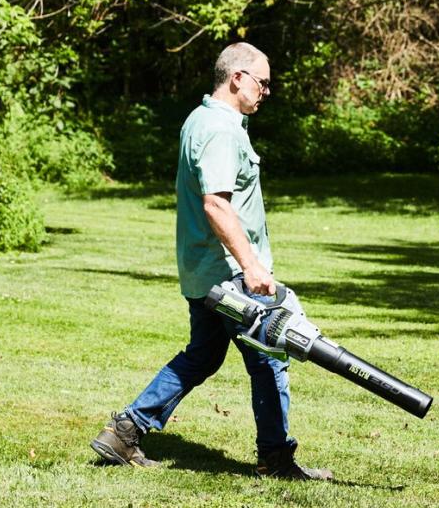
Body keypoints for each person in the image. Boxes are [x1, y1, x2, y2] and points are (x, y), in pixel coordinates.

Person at [90, 42, 331, 480]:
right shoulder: (221, 128)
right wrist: (252, 267)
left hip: (204, 272)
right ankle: (276, 459)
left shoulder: (200, 119)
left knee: (202, 356)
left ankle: (125, 430)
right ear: (237, 77)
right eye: (263, 82)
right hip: (230, 274)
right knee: (270, 358)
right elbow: (216, 205)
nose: (267, 91)